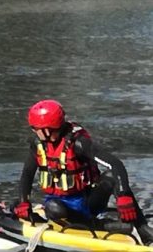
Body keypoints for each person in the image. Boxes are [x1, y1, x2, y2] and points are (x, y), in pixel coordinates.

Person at [14, 99, 152, 245]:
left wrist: (124, 196)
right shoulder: (38, 146)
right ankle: (101, 226)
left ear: (47, 130)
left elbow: (115, 164)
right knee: (53, 207)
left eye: (35, 128)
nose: (34, 131)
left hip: (88, 201)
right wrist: (24, 202)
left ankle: (143, 231)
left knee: (111, 177)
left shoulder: (79, 143)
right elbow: (27, 174)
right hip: (63, 208)